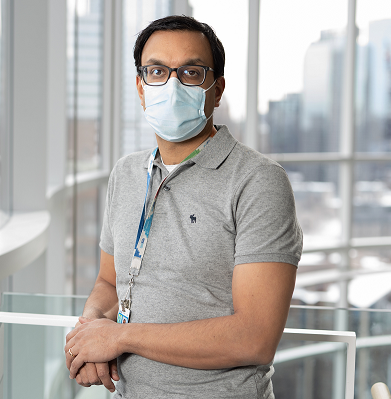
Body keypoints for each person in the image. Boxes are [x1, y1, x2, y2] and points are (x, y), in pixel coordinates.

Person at [65, 15, 302, 398]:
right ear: (141, 88)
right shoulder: (125, 174)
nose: (171, 85)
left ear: (217, 89)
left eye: (191, 72)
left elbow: (254, 338)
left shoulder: (258, 182)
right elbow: (111, 282)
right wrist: (91, 327)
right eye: (157, 71)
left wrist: (119, 337)